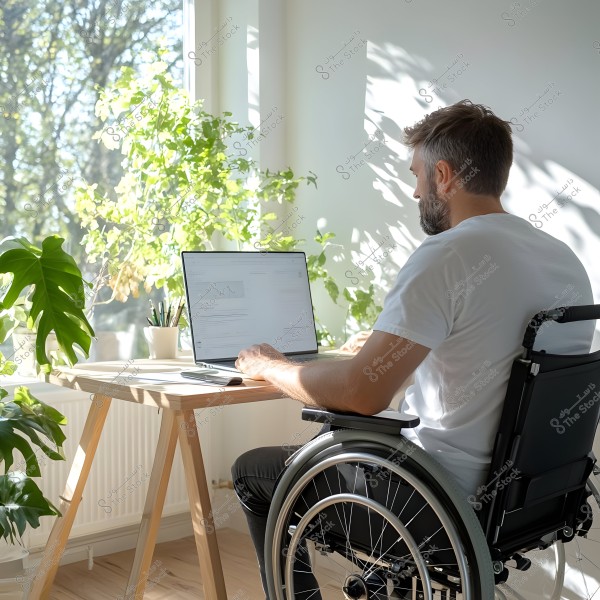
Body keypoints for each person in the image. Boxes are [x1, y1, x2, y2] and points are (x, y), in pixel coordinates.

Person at [231, 100, 595, 598]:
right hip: (529, 499)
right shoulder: (564, 261)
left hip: (434, 501)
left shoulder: (448, 254)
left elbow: (362, 394)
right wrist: (394, 348)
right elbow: (499, 359)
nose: (415, 190)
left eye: (417, 175)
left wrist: (271, 366)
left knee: (253, 470)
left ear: (444, 175)